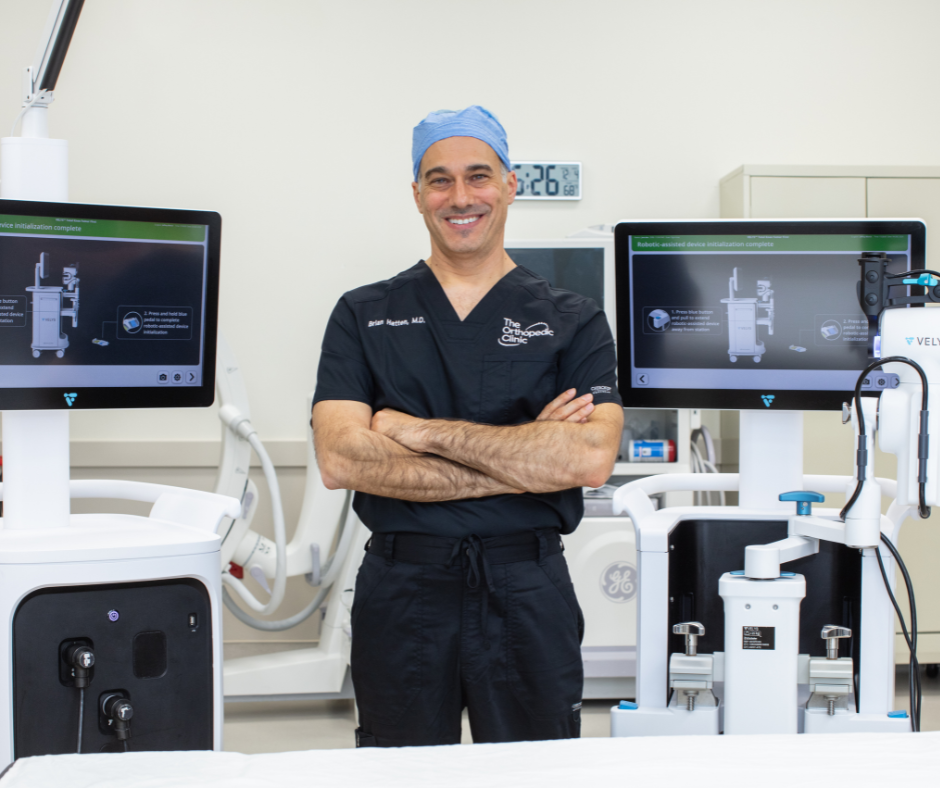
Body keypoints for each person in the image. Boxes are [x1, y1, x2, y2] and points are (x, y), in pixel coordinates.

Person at [311, 105, 624, 747]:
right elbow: (343, 460)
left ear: (510, 184)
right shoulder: (363, 314)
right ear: (418, 194)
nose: (460, 197)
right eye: (440, 179)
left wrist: (417, 432)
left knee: (536, 769)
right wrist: (524, 458)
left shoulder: (574, 319)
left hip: (526, 590)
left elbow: (588, 459)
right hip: (404, 591)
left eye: (478, 176)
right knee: (400, 769)